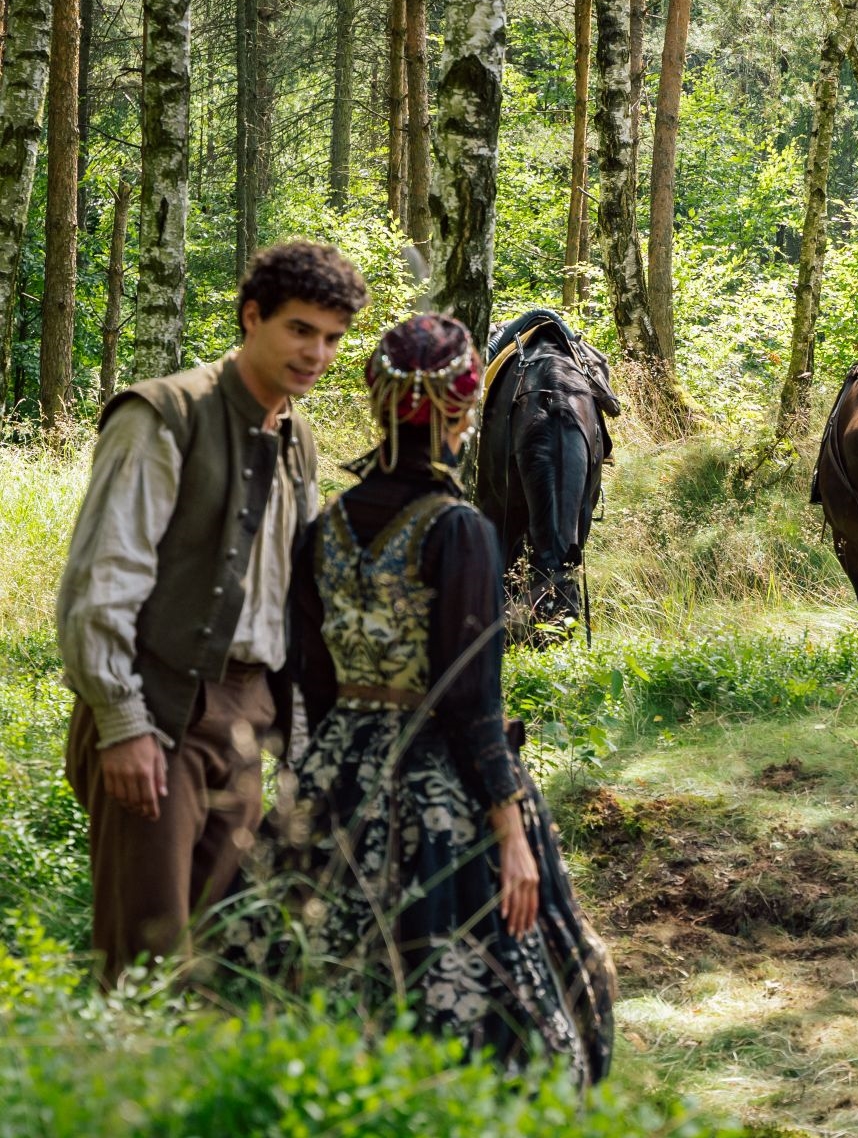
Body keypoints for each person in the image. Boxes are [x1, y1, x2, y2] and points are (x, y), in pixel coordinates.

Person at [219, 314, 615, 1086]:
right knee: (491, 988)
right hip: (440, 784)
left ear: (379, 407)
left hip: (336, 772)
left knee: (304, 969)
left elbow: (308, 685)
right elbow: (470, 700)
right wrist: (509, 831)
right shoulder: (458, 529)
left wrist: (317, 790)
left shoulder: (326, 526)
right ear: (463, 414)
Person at [58, 241, 368, 984]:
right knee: (145, 962)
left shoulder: (296, 437)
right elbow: (103, 578)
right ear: (252, 317)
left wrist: (293, 726)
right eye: (300, 330)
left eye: (332, 338)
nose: (317, 354)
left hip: (247, 719)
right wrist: (123, 724)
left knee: (218, 964)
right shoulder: (164, 415)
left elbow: (292, 598)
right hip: (159, 711)